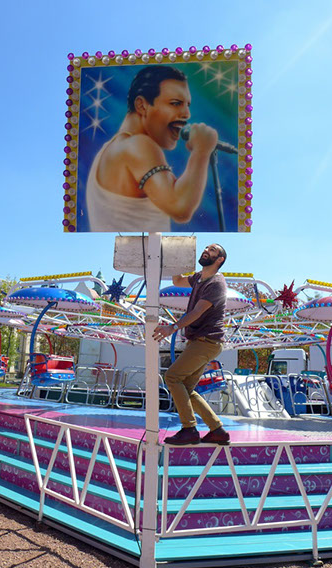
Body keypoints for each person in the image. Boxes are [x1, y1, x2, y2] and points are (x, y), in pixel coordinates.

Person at [86, 65, 218, 231]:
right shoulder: (137, 144)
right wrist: (201, 151)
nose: (186, 114)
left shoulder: (111, 149)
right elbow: (180, 208)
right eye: (176, 103)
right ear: (142, 105)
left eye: (187, 105)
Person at [153, 243, 230, 446]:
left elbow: (197, 311)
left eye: (212, 250)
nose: (206, 250)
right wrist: (177, 261)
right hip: (202, 341)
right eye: (206, 248)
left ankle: (189, 429)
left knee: (172, 377)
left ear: (220, 259)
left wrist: (173, 327)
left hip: (206, 340)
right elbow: (177, 280)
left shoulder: (216, 283)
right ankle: (217, 430)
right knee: (186, 388)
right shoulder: (198, 277)